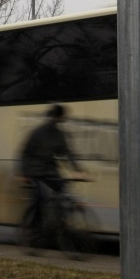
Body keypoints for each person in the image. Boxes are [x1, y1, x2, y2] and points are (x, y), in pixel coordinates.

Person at [18, 104, 84, 245]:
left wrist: (77, 169)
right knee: (40, 199)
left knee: (62, 190)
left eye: (60, 117)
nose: (58, 120)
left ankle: (59, 222)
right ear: (53, 116)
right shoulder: (38, 133)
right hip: (35, 170)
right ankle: (34, 230)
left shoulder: (59, 135)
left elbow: (67, 153)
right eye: (57, 116)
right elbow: (25, 153)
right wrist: (24, 172)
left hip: (50, 170)